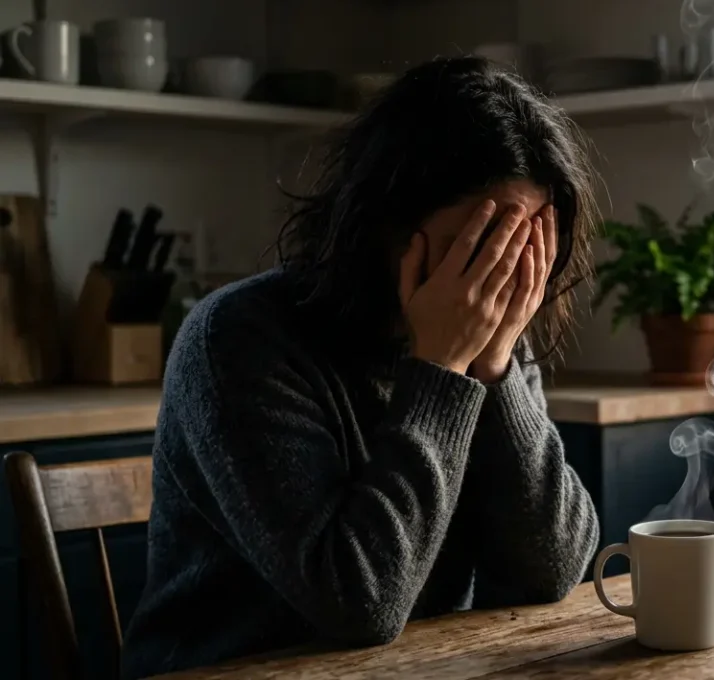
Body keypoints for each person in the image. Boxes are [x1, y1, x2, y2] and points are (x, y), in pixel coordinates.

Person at [121, 58, 602, 678]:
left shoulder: (490, 333)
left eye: (521, 249)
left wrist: (494, 369)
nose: (497, 279)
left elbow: (554, 567)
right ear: (387, 223)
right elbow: (359, 606)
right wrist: (442, 369)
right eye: (478, 246)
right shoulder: (237, 341)